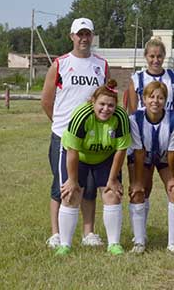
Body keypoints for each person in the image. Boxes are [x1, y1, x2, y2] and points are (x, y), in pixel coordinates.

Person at [41, 17, 108, 249]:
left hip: (91, 139)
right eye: (79, 34)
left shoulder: (101, 64)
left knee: (89, 187)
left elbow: (104, 98)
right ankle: (56, 234)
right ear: (72, 36)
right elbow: (47, 100)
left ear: (92, 36)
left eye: (87, 33)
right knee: (64, 185)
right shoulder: (60, 64)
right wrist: (61, 125)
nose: (83, 38)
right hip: (64, 136)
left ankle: (88, 233)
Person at [55, 80, 131, 256]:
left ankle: (114, 244)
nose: (106, 109)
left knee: (112, 194)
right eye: (102, 104)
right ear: (93, 102)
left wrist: (112, 180)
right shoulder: (82, 115)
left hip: (105, 158)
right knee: (71, 194)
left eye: (111, 105)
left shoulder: (120, 117)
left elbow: (121, 150)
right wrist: (73, 180)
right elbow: (72, 150)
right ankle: (65, 244)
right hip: (78, 156)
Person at [128, 81, 174, 254]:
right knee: (138, 191)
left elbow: (172, 152)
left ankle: (173, 242)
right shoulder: (135, 119)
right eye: (151, 97)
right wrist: (137, 181)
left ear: (166, 100)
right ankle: (139, 240)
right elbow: (138, 152)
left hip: (164, 156)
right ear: (143, 99)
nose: (155, 101)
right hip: (141, 157)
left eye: (160, 97)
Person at [126, 38, 174, 114]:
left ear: (164, 56)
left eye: (159, 56)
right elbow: (132, 111)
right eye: (152, 56)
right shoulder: (137, 79)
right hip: (143, 124)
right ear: (145, 56)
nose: (156, 60)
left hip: (168, 124)